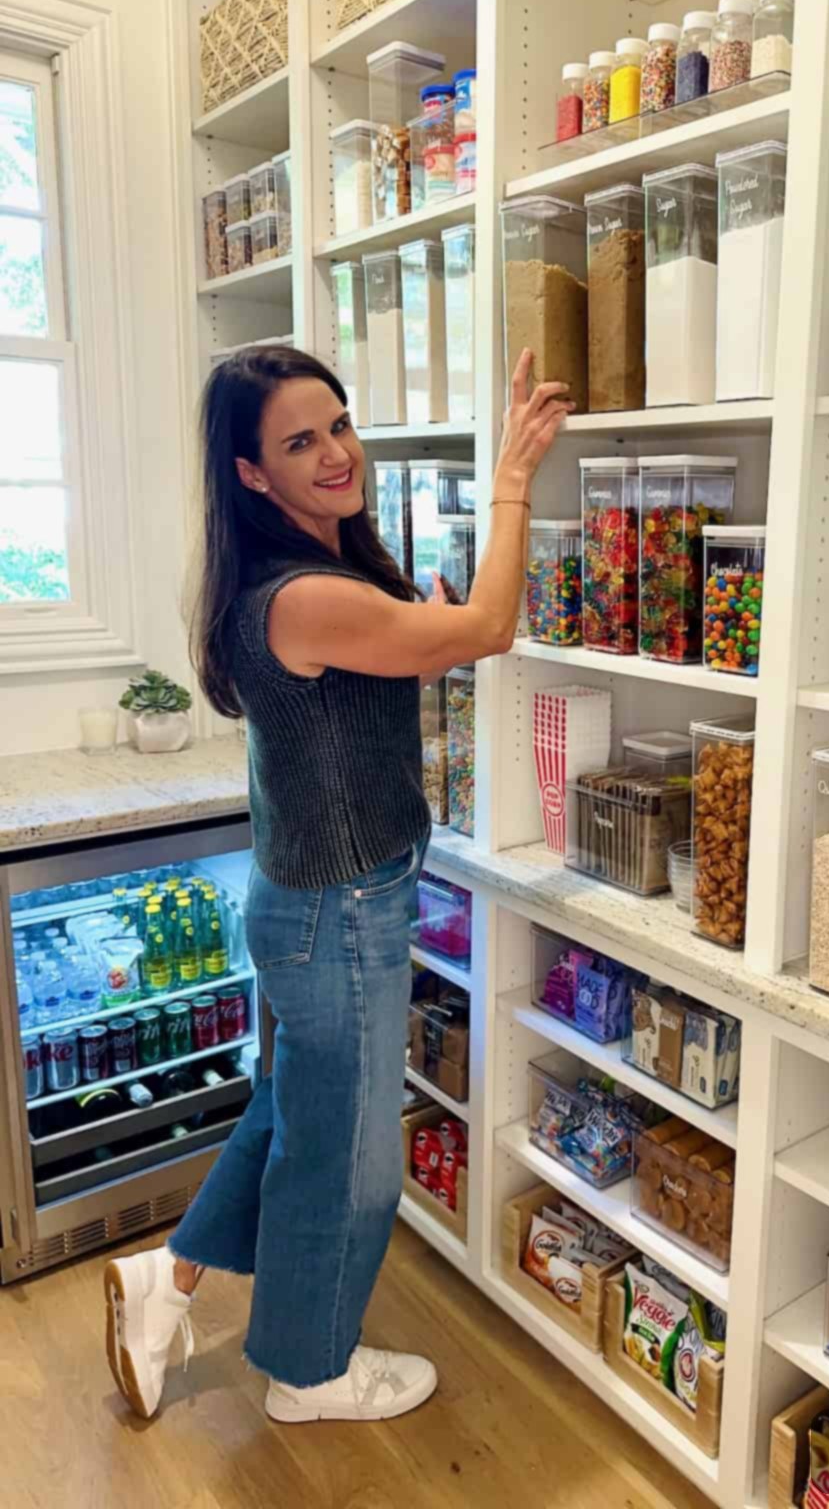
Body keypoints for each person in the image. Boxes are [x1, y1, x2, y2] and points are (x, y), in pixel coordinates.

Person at [102, 345, 572, 1425]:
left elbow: (405, 659)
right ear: (250, 474)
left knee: (297, 1110)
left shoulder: (305, 574)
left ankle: (164, 1281)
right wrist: (511, 479)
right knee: (349, 1160)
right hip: (339, 911)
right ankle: (310, 1373)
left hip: (313, 904)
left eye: (340, 425)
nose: (337, 455)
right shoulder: (302, 594)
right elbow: (490, 629)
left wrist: (423, 630)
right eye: (299, 442)